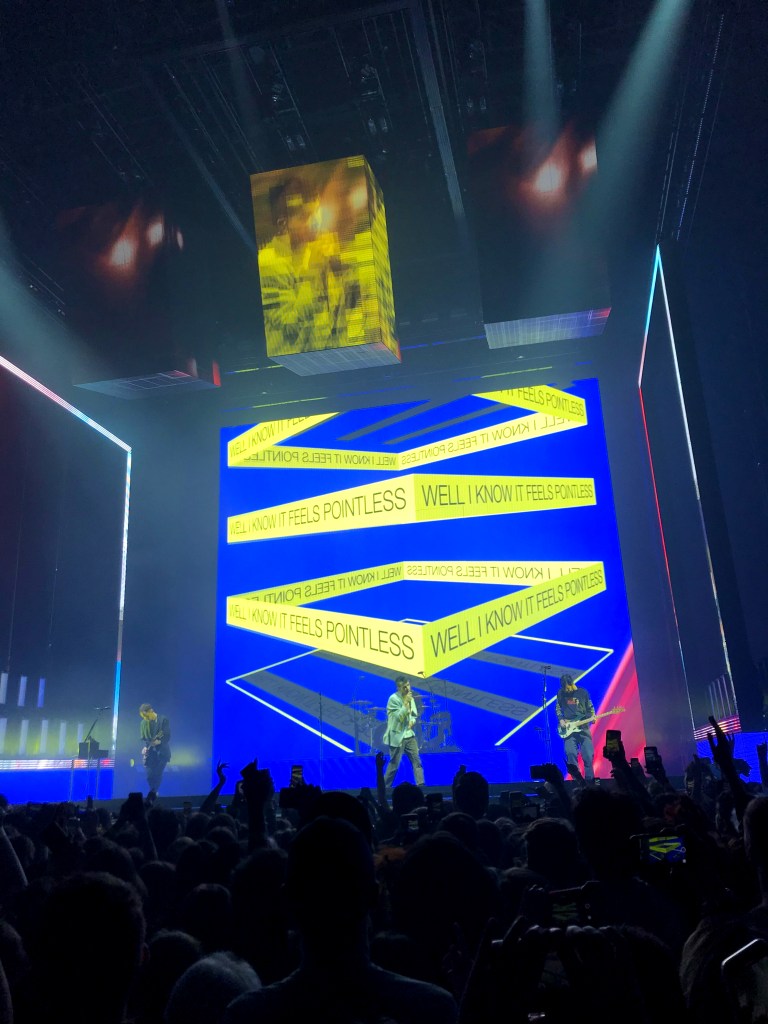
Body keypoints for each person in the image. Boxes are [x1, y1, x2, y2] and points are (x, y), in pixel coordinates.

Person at [383, 676, 424, 788]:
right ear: (398, 688)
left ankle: (421, 786)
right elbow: (399, 718)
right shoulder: (393, 699)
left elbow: (414, 714)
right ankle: (384, 788)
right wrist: (405, 703)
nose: (407, 689)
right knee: (394, 765)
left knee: (417, 762)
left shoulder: (410, 697)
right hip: (397, 736)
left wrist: (412, 721)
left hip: (409, 735)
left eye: (408, 685)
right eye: (404, 687)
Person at [556, 672, 595, 781]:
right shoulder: (560, 693)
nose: (567, 690)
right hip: (569, 730)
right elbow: (558, 708)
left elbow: (590, 707)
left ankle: (590, 781)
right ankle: (576, 781)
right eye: (565, 688)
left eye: (568, 687)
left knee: (588, 755)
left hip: (583, 728)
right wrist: (561, 719)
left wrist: (592, 716)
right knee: (570, 754)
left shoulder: (583, 692)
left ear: (572, 683)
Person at [140, 703, 171, 793]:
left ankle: (154, 793)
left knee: (157, 774)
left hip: (162, 753)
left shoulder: (163, 720)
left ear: (151, 711)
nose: (145, 718)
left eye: (146, 716)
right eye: (144, 717)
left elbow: (167, 735)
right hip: (150, 754)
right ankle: (153, 793)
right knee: (149, 776)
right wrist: (144, 748)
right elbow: (144, 739)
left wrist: (159, 742)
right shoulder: (144, 723)